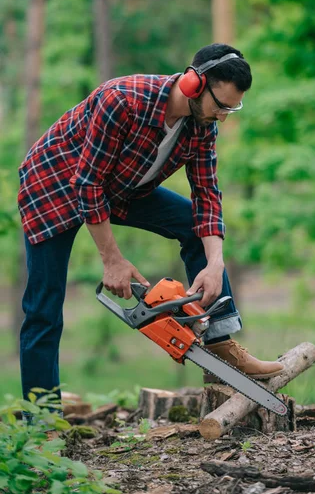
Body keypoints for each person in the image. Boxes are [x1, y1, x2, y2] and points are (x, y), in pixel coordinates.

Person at [17, 43, 284, 411]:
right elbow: (88, 184)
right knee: (43, 308)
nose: (223, 116)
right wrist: (112, 259)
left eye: (231, 108)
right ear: (193, 84)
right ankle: (40, 418)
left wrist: (215, 264)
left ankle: (222, 345)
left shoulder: (202, 126)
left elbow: (207, 195)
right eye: (220, 105)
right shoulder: (122, 101)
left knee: (195, 226)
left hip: (123, 185)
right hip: (56, 185)